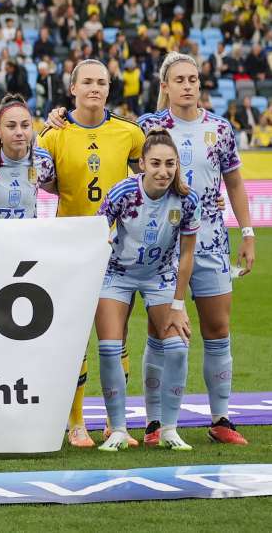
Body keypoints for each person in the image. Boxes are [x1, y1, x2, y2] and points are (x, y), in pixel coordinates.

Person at [137, 53, 257, 446]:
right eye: (180, 79)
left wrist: (248, 233)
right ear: (165, 86)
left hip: (212, 243)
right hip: (163, 248)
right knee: (162, 332)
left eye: (193, 78)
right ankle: (154, 423)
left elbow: (234, 183)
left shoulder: (220, 128)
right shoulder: (149, 127)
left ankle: (221, 419)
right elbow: (132, 178)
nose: (188, 85)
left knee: (218, 330)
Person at [41, 59, 146, 449]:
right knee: (75, 338)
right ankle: (76, 423)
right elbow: (41, 181)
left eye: (101, 82)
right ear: (73, 88)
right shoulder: (53, 135)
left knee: (115, 336)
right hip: (71, 249)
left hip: (117, 249)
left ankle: (115, 423)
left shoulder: (129, 133)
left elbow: (151, 175)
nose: (95, 88)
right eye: (87, 82)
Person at [95, 130, 199, 453]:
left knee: (178, 348)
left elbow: (187, 254)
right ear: (141, 163)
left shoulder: (187, 199)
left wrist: (178, 304)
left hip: (160, 276)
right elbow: (96, 230)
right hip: (117, 274)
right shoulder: (123, 192)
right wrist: (102, 239)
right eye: (155, 163)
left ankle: (169, 429)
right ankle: (117, 430)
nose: (163, 171)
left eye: (170, 164)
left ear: (177, 164)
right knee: (109, 348)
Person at [0, 95, 56, 219]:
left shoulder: (43, 161)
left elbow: (57, 189)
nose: (19, 132)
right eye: (11, 126)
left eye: (25, 126)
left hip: (28, 232)